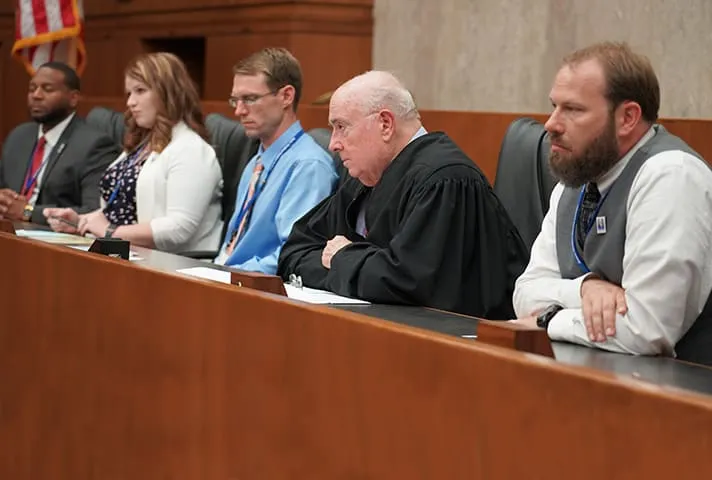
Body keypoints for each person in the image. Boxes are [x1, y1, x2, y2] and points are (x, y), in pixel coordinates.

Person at [513, 42, 712, 365]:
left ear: (627, 118)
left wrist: (547, 321)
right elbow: (524, 294)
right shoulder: (573, 181)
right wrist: (584, 290)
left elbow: (646, 329)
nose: (551, 124)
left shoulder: (671, 175)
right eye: (554, 106)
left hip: (685, 398)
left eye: (573, 110)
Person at [277, 71, 527, 319]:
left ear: (385, 124)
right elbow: (295, 252)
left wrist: (342, 259)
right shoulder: (364, 178)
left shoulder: (444, 180)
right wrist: (350, 271)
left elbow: (409, 285)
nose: (333, 144)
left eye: (342, 127)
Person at [45, 52, 223, 253]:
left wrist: (110, 231)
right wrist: (81, 222)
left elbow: (179, 229)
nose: (130, 102)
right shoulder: (141, 145)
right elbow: (119, 208)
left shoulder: (191, 150)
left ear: (168, 93)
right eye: (129, 93)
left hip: (170, 266)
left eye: (140, 91)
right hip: (125, 255)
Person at [213, 47, 337, 274]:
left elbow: (292, 253)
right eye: (235, 100)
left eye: (250, 99)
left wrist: (228, 275)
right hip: (226, 275)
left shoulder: (308, 166)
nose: (239, 111)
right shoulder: (256, 162)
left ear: (286, 96)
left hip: (255, 286)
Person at [0, 62, 119, 225]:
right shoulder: (19, 136)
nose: (36, 95)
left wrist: (28, 212)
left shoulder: (94, 145)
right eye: (32, 88)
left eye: (47, 89)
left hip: (52, 240)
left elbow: (94, 212)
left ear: (73, 98)